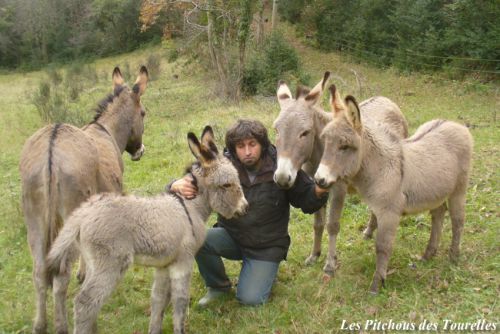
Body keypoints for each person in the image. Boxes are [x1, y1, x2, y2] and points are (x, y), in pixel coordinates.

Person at [168, 119, 329, 306]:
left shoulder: (281, 167)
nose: (247, 151)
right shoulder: (224, 166)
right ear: (234, 149)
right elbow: (197, 179)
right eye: (241, 146)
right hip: (232, 235)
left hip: (266, 247)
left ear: (262, 144)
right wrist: (174, 184)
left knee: (249, 299)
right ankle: (218, 287)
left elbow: (306, 199)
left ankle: (262, 272)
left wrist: (320, 189)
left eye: (252, 144)